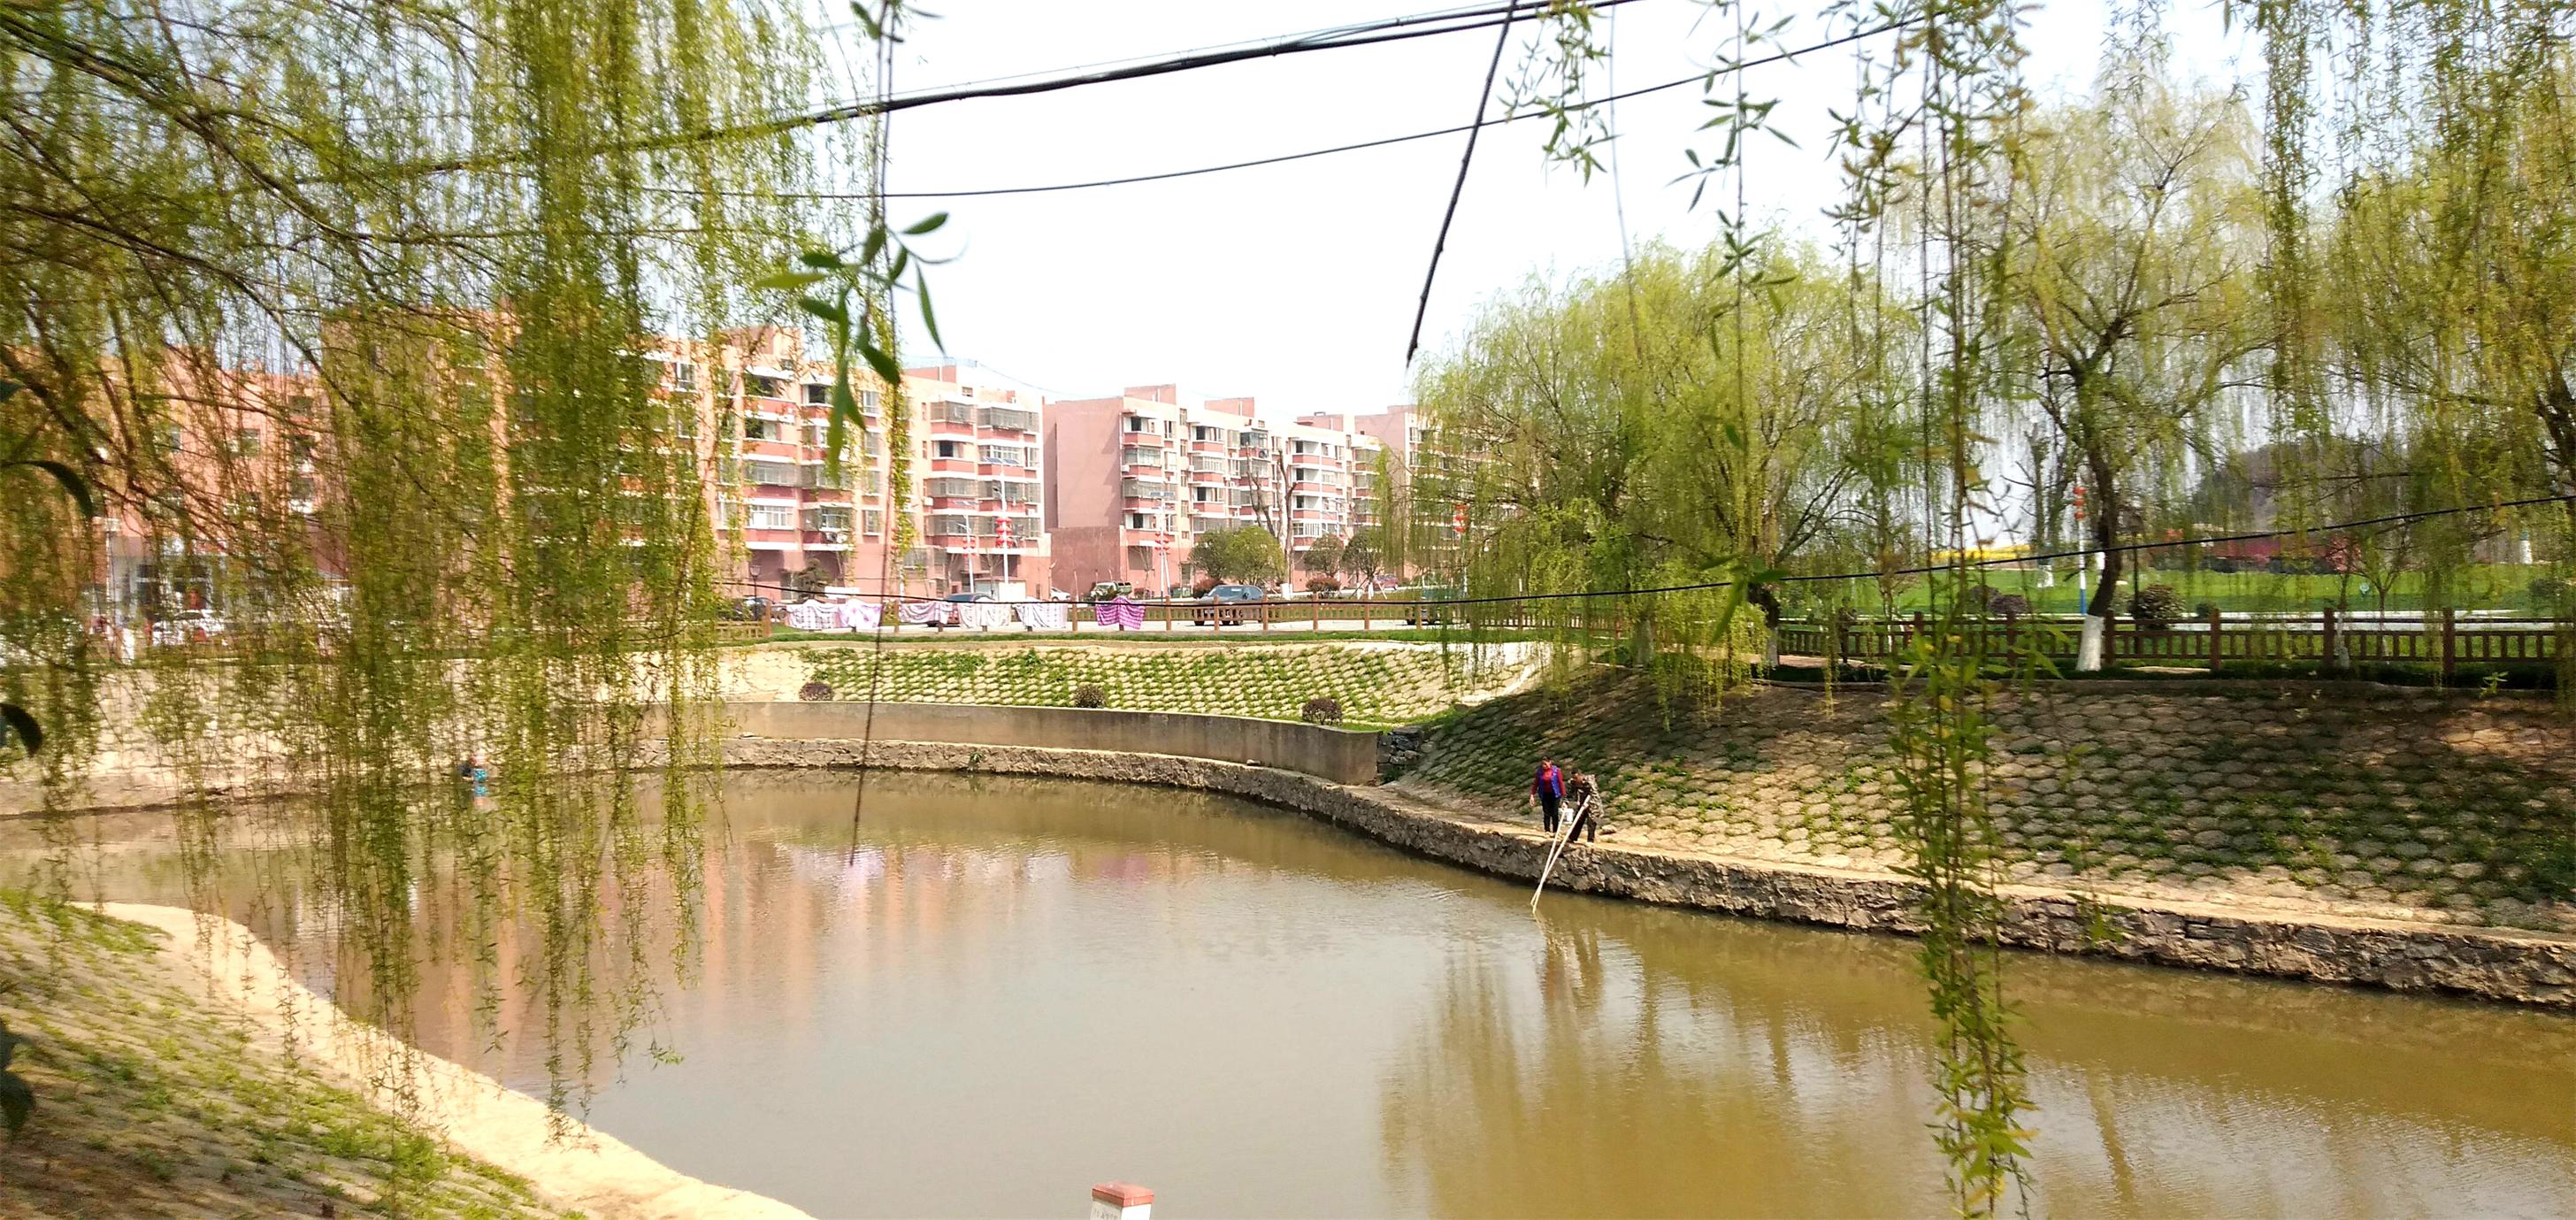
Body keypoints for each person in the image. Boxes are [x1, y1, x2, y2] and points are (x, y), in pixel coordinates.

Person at [1529, 757, 1565, 833]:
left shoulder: (1556, 771)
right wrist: (1532, 794)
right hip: (1545, 794)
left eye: (1545, 764)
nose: (1543, 766)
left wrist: (1563, 795)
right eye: (1542, 764)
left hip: (1555, 794)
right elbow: (1536, 783)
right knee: (1546, 812)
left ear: (1550, 762)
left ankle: (1556, 831)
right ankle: (1547, 830)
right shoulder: (1540, 772)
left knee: (1555, 812)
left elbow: (1560, 783)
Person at [1566, 771, 1601, 843]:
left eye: (1576, 778)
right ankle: (1572, 837)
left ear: (1580, 776)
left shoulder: (1589, 781)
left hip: (1593, 803)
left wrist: (1588, 803)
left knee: (1591, 821)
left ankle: (1590, 840)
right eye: (1573, 778)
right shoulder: (1573, 782)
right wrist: (1565, 802)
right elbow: (1569, 793)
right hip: (1582, 802)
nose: (1574, 780)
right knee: (1578, 819)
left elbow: (1594, 794)